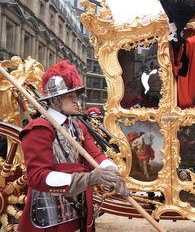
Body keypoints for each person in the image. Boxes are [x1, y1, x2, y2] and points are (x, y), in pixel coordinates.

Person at [18, 61, 128, 232]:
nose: (76, 100)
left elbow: (96, 156)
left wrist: (112, 173)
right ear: (55, 99)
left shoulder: (77, 127)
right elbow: (38, 177)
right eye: (70, 96)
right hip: (50, 213)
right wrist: (89, 179)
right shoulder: (39, 129)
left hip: (78, 207)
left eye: (75, 95)